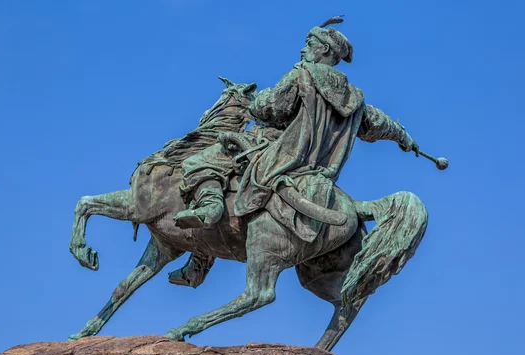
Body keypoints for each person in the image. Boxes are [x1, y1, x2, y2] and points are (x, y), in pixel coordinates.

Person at [173, 24, 419, 243]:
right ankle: (198, 263)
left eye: (309, 44)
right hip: (320, 172)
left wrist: (257, 102)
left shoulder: (301, 76)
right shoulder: (355, 99)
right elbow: (381, 124)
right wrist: (405, 139)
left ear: (324, 49)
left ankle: (210, 207)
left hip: (280, 156)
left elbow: (273, 109)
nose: (303, 50)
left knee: (201, 161)